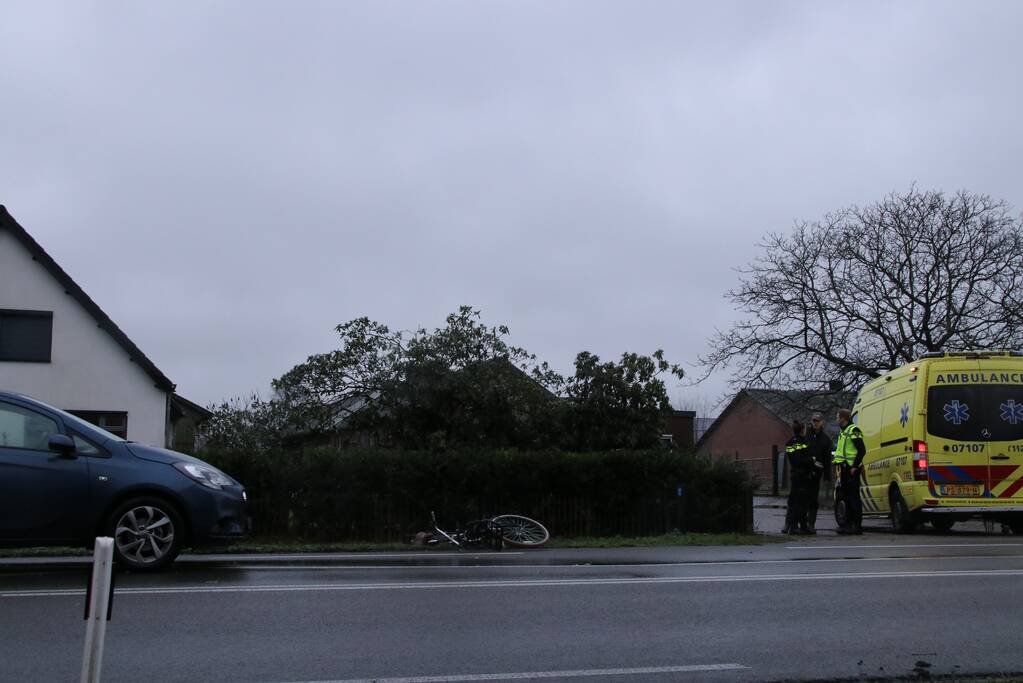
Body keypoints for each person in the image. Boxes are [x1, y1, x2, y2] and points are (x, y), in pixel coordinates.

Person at [832, 408, 866, 535]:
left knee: (853, 499)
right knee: (845, 498)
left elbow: (862, 450)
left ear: (843, 418)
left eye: (837, 417)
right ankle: (847, 524)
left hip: (851, 470)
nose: (836, 419)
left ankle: (856, 526)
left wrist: (855, 466)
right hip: (844, 469)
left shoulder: (853, 430)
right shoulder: (843, 431)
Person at [803, 413, 833, 534]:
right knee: (802, 499)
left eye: (818, 421)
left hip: (816, 474)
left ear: (822, 423)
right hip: (804, 472)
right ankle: (802, 523)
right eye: (814, 420)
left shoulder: (826, 440)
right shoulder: (805, 436)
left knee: (813, 499)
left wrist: (827, 476)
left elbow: (827, 460)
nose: (815, 423)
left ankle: (811, 524)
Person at [782, 420, 813, 534]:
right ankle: (796, 526)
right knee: (800, 502)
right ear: (802, 430)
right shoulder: (803, 442)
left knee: (795, 500)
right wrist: (812, 460)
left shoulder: (789, 442)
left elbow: (793, 460)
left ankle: (793, 525)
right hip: (802, 475)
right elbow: (800, 460)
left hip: (795, 475)